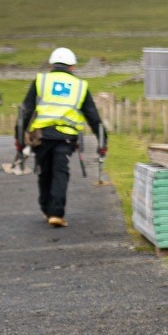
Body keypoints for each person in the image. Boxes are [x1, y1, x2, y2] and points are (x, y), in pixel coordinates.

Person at [16, 47, 106, 228]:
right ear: (72, 66)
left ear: (51, 64)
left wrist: (18, 139)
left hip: (41, 136)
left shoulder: (41, 81)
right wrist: (103, 142)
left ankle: (46, 208)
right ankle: (56, 213)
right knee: (60, 172)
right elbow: (93, 117)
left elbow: (25, 111)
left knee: (44, 171)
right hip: (66, 137)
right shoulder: (80, 86)